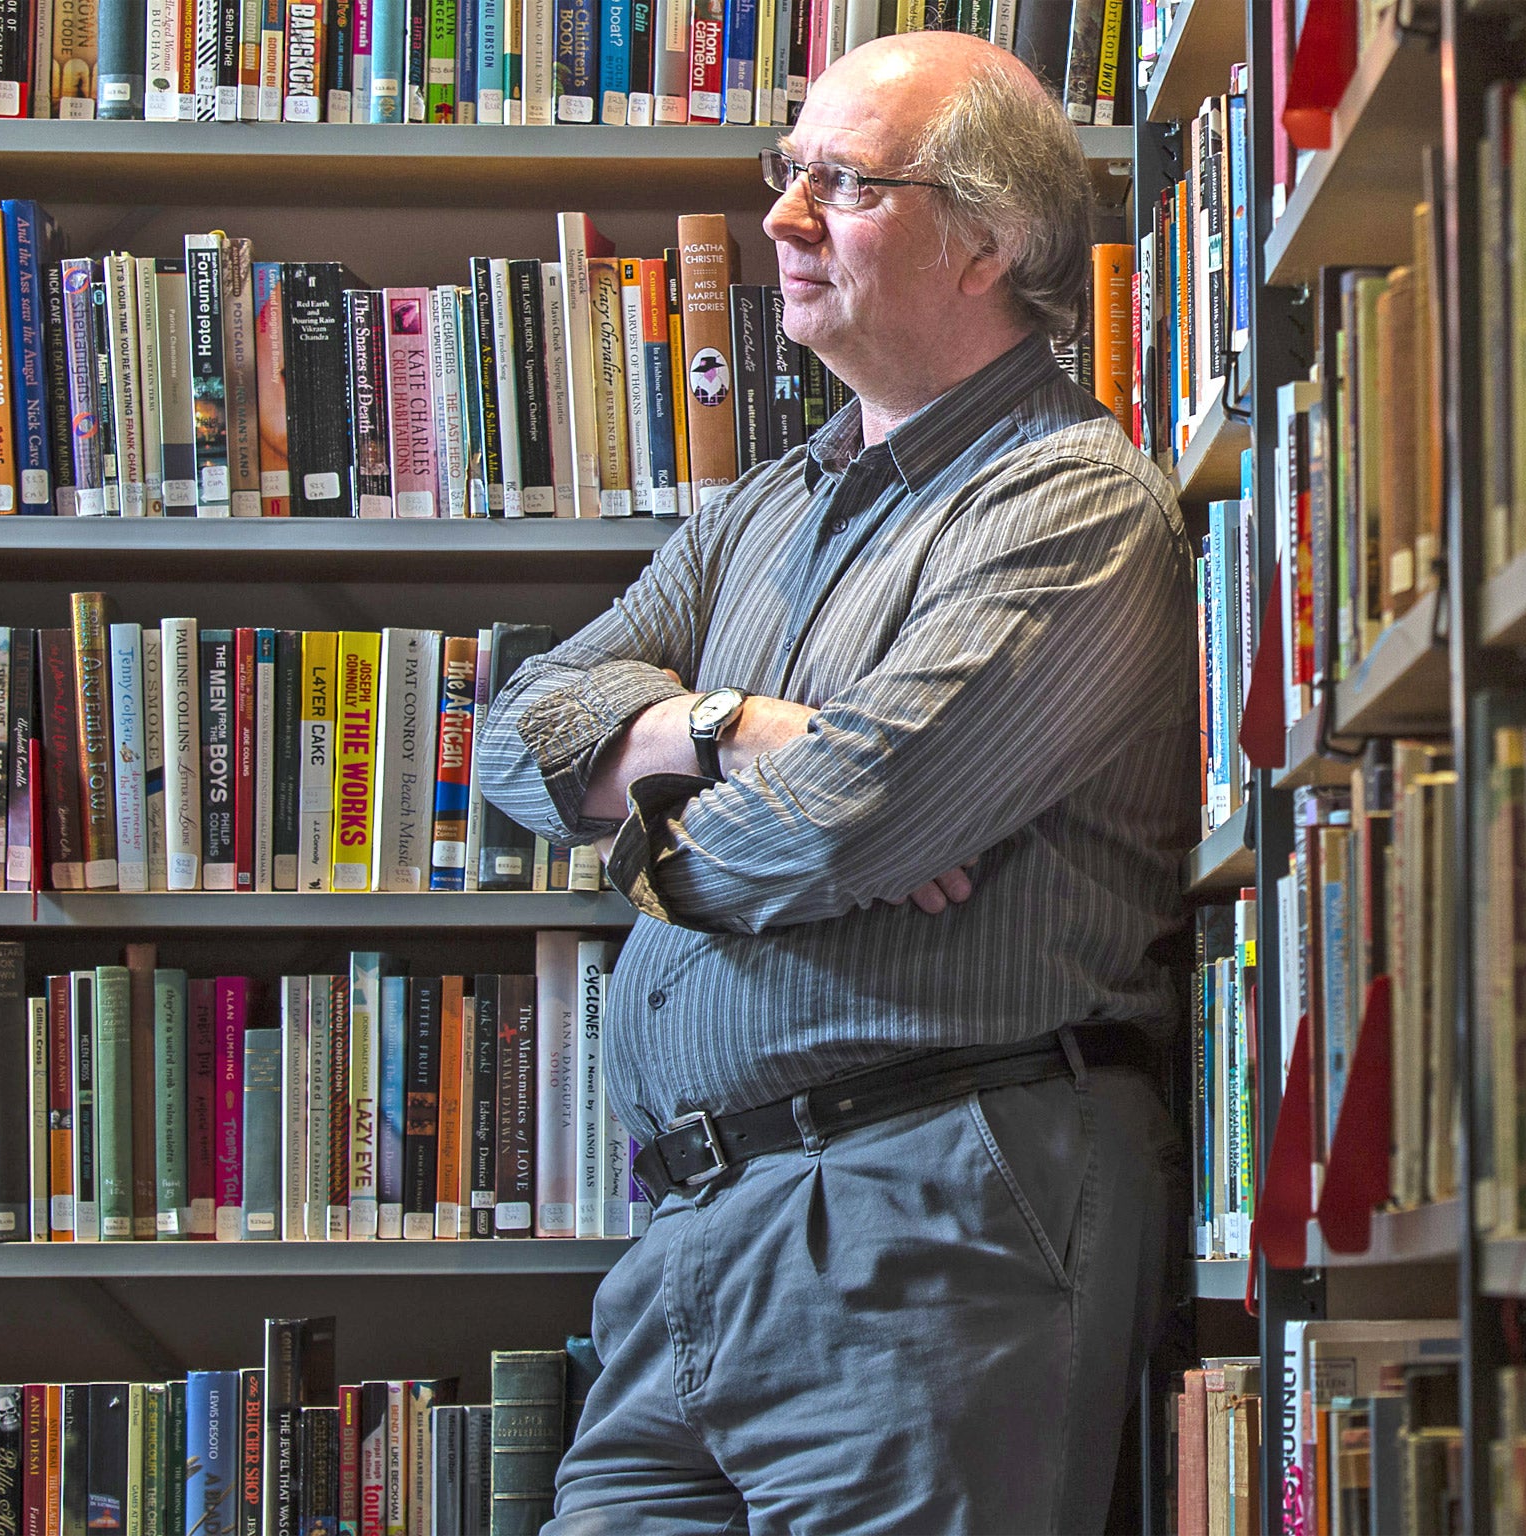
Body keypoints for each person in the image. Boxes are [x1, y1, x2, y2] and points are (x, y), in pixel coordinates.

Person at [476, 29, 1196, 1534]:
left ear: (985, 241)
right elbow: (515, 734)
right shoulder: (765, 508)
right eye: (786, 173)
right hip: (690, 1237)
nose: (783, 220)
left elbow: (845, 819)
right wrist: (732, 728)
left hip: (922, 1219)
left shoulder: (1068, 500)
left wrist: (650, 808)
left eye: (845, 185)